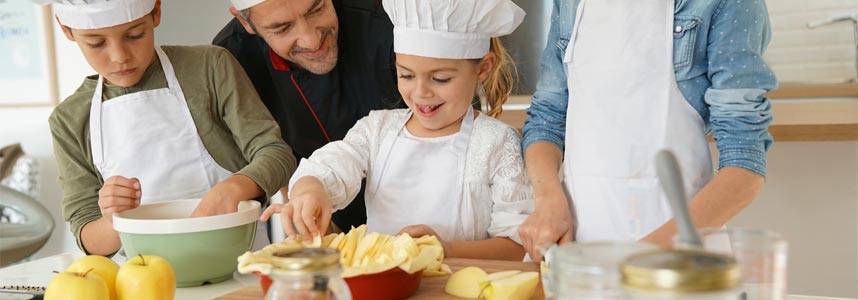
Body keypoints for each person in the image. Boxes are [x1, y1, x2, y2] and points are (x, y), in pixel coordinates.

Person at [261, 0, 534, 261]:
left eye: (441, 79)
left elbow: (515, 244)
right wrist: (311, 190)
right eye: (406, 75)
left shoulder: (497, 142)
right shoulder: (377, 130)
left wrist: (443, 250)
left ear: (483, 69)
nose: (421, 92)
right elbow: (333, 164)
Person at [518, 0, 777, 261]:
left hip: (678, 257)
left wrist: (641, 258)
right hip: (576, 251)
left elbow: (745, 164)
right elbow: (547, 118)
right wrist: (548, 200)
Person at [45, 0, 296, 256]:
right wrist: (113, 219)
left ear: (156, 10)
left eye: (135, 35)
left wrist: (235, 187)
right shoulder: (69, 119)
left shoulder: (209, 67)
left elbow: (277, 154)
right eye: (96, 43)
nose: (120, 57)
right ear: (66, 29)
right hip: (142, 282)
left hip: (239, 269)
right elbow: (88, 238)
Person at [213, 0, 405, 232]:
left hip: (418, 207)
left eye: (316, 9)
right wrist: (311, 223)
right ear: (245, 22)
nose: (311, 40)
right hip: (319, 208)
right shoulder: (235, 54)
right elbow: (273, 146)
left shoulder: (388, 20)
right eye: (282, 28)